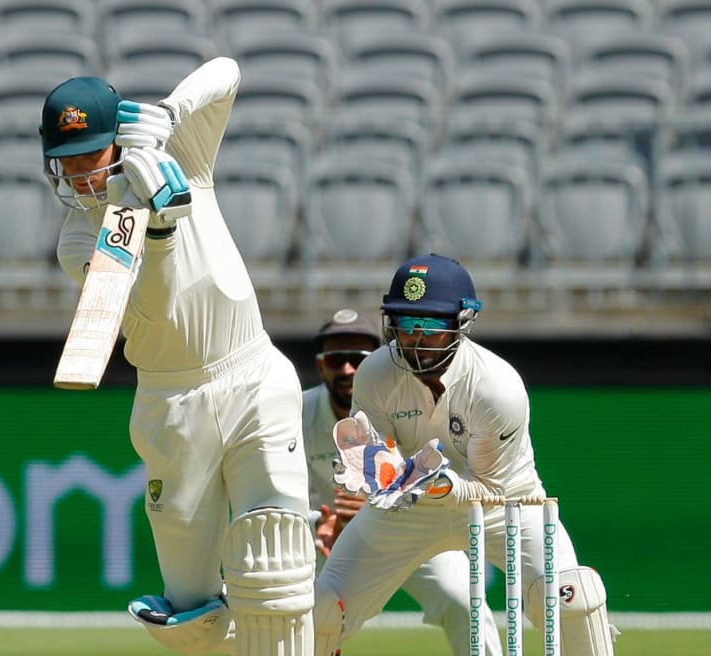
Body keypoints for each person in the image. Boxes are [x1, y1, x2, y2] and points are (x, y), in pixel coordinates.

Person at [40, 58, 315, 656]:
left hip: (252, 376)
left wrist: (170, 111)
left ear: (116, 142)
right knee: (191, 617)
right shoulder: (78, 240)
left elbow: (230, 71)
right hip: (172, 407)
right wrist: (157, 231)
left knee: (277, 560)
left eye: (92, 154)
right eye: (69, 160)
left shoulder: (181, 156)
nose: (82, 173)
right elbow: (154, 308)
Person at [312, 253, 619, 656]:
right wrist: (373, 467)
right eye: (405, 324)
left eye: (431, 325)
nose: (415, 340)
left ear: (462, 323)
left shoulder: (497, 388)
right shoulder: (376, 372)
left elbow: (487, 486)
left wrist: (432, 482)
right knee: (319, 613)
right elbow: (373, 456)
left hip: (507, 505)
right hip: (408, 508)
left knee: (571, 598)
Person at [303, 308, 502, 656]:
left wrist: (379, 503)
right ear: (321, 365)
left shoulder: (415, 399)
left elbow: (445, 473)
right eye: (336, 359)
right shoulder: (297, 413)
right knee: (302, 615)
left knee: (464, 602)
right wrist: (319, 521)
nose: (348, 369)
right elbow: (278, 496)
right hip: (321, 540)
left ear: (379, 360)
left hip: (411, 525)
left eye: (357, 359)